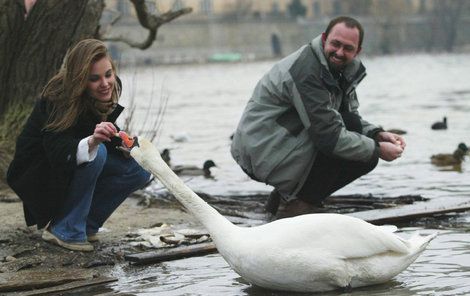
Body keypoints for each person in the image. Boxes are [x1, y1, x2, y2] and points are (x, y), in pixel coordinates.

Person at [231, 16, 405, 219]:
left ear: (357, 51)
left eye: (348, 48)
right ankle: (299, 204)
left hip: (276, 143)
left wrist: (378, 134)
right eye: (335, 44)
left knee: (357, 136)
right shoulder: (307, 70)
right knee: (363, 151)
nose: (340, 52)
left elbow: (348, 116)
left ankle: (286, 199)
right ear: (324, 39)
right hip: (260, 151)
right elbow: (328, 137)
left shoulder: (340, 69)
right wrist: (376, 149)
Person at [7, 39, 151, 252]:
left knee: (140, 168)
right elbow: (57, 152)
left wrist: (125, 146)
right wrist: (93, 141)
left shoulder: (106, 91)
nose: (105, 83)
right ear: (80, 79)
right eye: (94, 79)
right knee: (97, 151)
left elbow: (103, 134)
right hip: (40, 173)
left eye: (108, 74)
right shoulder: (57, 99)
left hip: (69, 162)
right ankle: (65, 229)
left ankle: (86, 225)